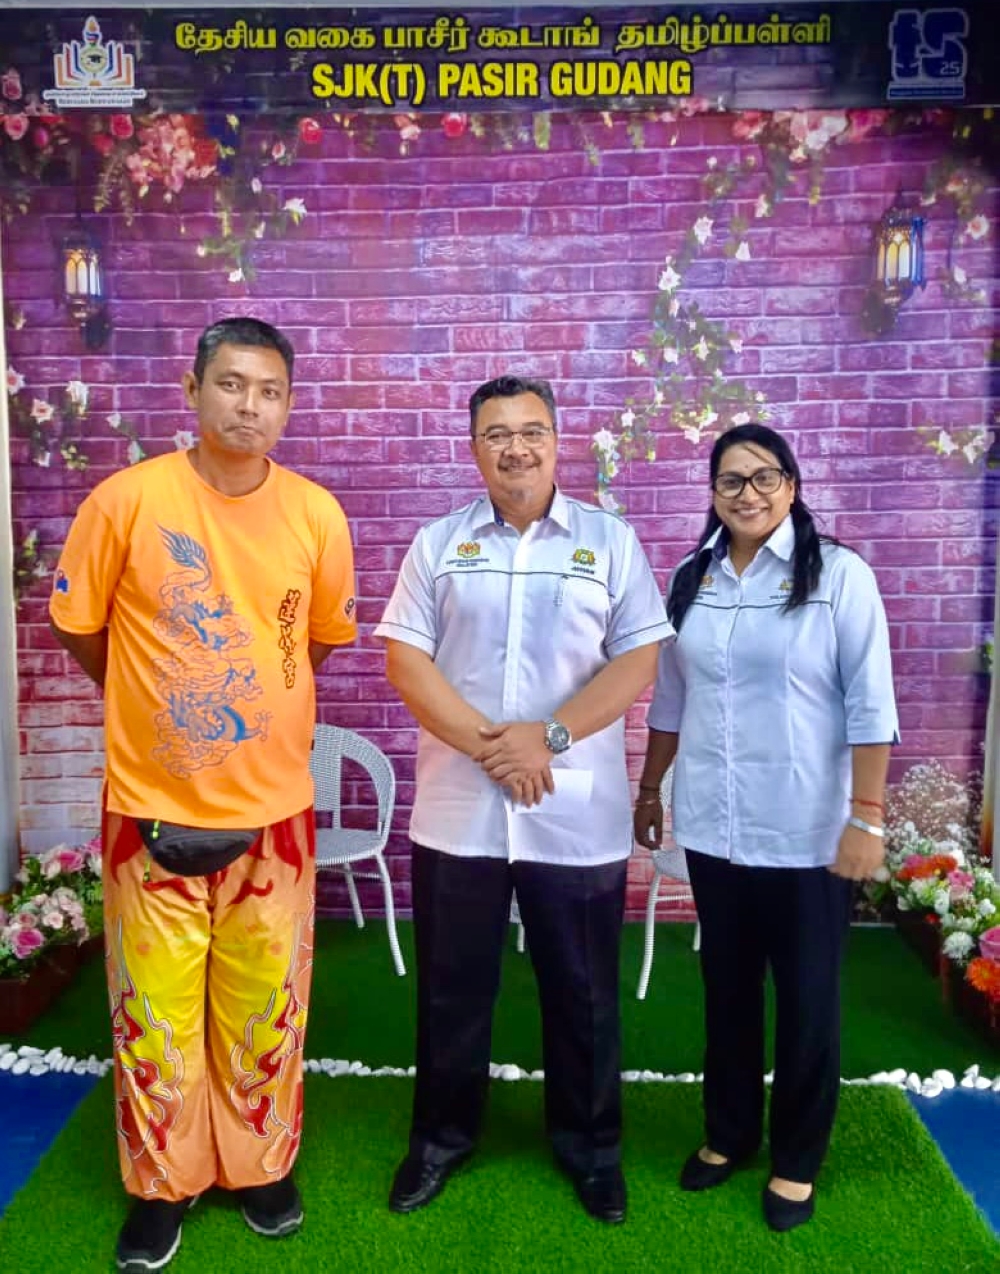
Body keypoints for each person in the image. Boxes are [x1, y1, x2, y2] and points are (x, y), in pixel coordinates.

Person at [49, 317, 358, 1271]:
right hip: (151, 810)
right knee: (157, 1013)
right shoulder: (127, 502)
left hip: (275, 818)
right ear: (191, 392)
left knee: (266, 1007)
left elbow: (309, 646)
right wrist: (148, 710)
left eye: (269, 390)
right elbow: (81, 628)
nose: (249, 405)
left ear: (289, 404)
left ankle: (260, 1168)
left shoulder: (316, 514)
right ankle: (159, 1187)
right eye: (231, 384)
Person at [375, 374, 672, 1225]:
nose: (516, 446)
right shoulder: (438, 543)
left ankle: (591, 1150)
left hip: (574, 812)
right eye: (497, 433)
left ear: (557, 440)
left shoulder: (609, 543)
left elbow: (637, 662)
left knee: (582, 991)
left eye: (531, 430)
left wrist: (543, 740)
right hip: (459, 812)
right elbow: (406, 660)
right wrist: (492, 748)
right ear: (474, 448)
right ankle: (438, 1141)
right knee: (450, 989)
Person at [634, 423, 898, 1232]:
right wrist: (649, 788)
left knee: (810, 1001)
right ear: (711, 492)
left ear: (792, 483)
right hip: (717, 827)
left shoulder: (838, 576)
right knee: (727, 993)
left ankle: (796, 1160)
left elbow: (870, 703)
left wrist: (869, 818)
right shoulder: (692, 576)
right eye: (730, 480)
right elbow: (672, 698)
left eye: (764, 477)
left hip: (811, 834)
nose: (747, 493)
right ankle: (729, 1135)